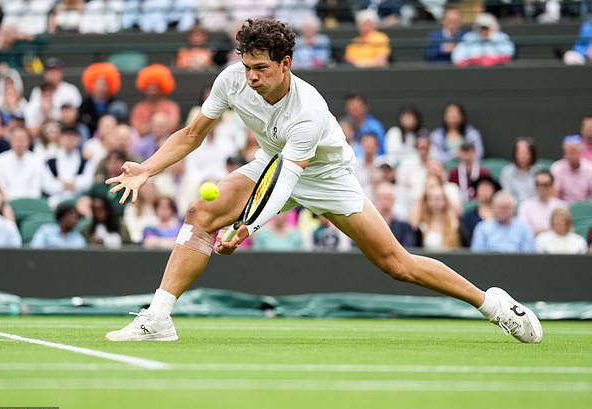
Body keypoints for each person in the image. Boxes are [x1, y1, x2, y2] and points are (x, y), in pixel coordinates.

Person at [105, 19, 542, 344]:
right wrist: (147, 168)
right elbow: (191, 134)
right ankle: (158, 318)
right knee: (200, 213)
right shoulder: (232, 80)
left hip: (327, 178)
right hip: (271, 162)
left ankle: (492, 304)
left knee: (397, 265)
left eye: (260, 67)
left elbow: (285, 185)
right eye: (247, 66)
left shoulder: (308, 111)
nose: (251, 76)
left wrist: (246, 229)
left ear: (286, 63)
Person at [42, 126, 95, 208]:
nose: (70, 140)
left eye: (73, 137)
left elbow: (88, 182)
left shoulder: (85, 162)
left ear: (79, 140)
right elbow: (47, 184)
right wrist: (63, 186)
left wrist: (72, 183)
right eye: (66, 137)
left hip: (77, 200)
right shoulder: (50, 161)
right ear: (60, 139)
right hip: (55, 201)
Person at [0, 125, 42, 200]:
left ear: (28, 141)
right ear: (10, 141)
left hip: (31, 201)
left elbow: (36, 188)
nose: (20, 143)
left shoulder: (36, 160)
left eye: (23, 139)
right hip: (6, 201)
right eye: (17, 139)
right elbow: (1, 186)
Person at [130, 64, 180, 138]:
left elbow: (173, 127)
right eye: (149, 85)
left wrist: (150, 127)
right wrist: (156, 127)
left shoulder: (171, 107)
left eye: (155, 85)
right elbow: (136, 128)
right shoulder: (139, 108)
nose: (152, 88)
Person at [411, 182, 461, 251]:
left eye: (440, 198)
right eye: (432, 198)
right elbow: (413, 225)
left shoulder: (453, 222)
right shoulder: (421, 224)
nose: (436, 202)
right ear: (427, 201)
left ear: (445, 200)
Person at [518, 170, 568, 235]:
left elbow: (564, 229)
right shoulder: (525, 205)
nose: (541, 187)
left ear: (552, 186)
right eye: (538, 184)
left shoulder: (562, 206)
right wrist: (549, 230)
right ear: (535, 186)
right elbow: (523, 231)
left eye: (545, 184)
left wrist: (539, 231)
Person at [460, 175, 500, 247]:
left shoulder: (501, 215)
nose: (485, 192)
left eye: (488, 188)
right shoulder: (469, 217)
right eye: (482, 189)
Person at [550, 135, 592, 204]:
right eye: (569, 152)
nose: (572, 155)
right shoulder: (556, 168)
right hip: (563, 208)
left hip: (586, 207)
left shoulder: (590, 168)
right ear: (564, 154)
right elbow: (554, 196)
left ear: (580, 152)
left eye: (574, 152)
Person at [374, 181, 417, 248]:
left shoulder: (404, 227)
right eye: (381, 197)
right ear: (376, 199)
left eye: (387, 197)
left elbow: (409, 247)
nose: (384, 201)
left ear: (394, 200)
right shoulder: (370, 223)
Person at [499, 137, 540, 203]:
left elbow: (539, 195)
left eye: (526, 153)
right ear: (515, 154)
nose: (523, 156)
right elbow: (507, 194)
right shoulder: (507, 171)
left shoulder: (538, 172)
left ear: (532, 154)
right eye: (520, 152)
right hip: (513, 208)